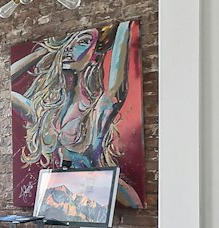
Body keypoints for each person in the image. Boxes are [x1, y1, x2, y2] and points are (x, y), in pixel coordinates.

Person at [9, 21, 140, 207]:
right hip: (69, 200)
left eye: (83, 42)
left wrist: (123, 28)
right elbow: (8, 86)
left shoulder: (98, 109)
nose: (70, 48)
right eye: (68, 43)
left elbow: (116, 77)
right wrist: (45, 51)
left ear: (95, 53)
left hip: (103, 198)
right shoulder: (46, 114)